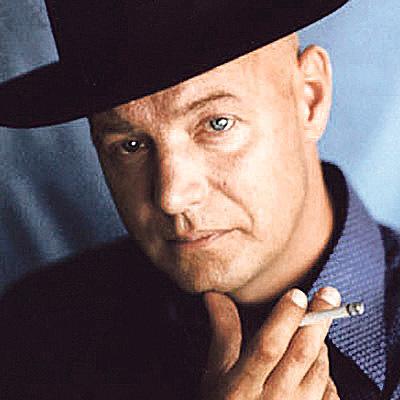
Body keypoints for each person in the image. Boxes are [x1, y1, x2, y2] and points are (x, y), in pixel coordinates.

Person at [0, 1, 399, 399]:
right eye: (130, 145)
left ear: (310, 98)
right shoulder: (36, 335)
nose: (171, 197)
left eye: (217, 123)